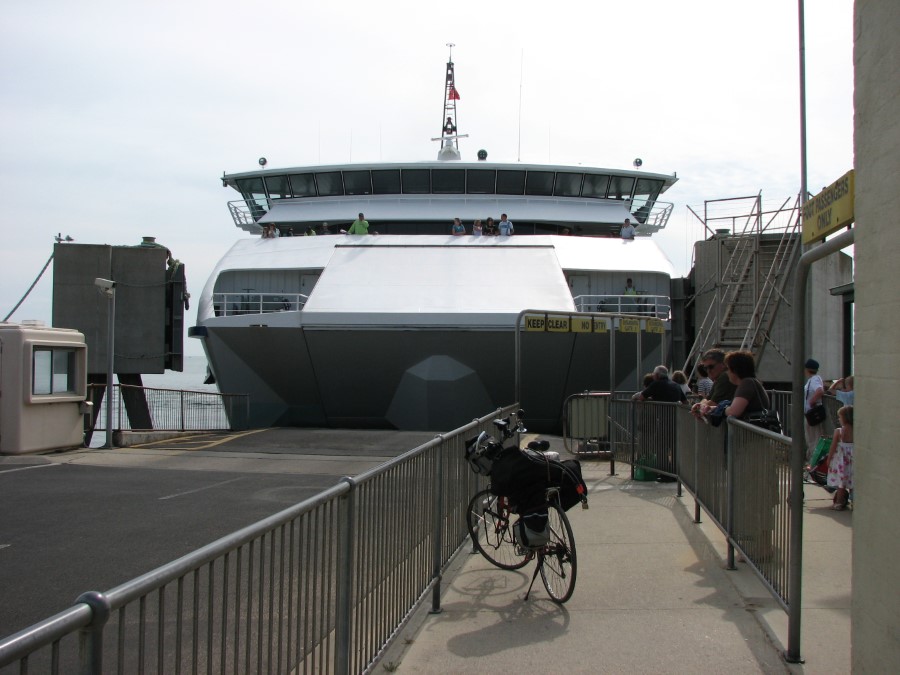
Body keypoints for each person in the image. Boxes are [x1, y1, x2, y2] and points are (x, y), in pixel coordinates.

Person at [721, 351, 769, 419]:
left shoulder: (747, 383)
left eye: (727, 368)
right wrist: (713, 409)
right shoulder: (751, 382)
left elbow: (734, 412)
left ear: (735, 370)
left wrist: (722, 409)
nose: (726, 372)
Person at [691, 348, 736, 417]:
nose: (708, 371)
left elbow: (713, 403)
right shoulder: (719, 378)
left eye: (711, 367)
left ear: (723, 364)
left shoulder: (725, 376)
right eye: (705, 368)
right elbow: (707, 399)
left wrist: (699, 407)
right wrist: (701, 405)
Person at [825, 405, 853, 510]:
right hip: (853, 459)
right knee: (853, 480)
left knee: (842, 482)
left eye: (840, 417)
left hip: (842, 460)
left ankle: (839, 503)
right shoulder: (856, 431)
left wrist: (829, 458)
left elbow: (833, 446)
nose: (839, 419)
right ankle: (854, 502)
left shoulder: (839, 431)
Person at [803, 358, 825, 461]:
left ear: (807, 369)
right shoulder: (814, 379)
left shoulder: (815, 379)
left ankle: (814, 461)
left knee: (813, 439)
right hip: (810, 413)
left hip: (812, 413)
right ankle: (812, 460)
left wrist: (812, 401)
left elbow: (820, 390)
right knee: (812, 438)